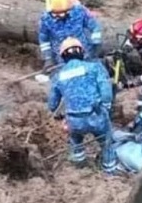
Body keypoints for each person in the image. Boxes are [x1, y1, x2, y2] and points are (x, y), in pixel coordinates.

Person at [47, 37, 118, 174]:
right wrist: (106, 107)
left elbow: (52, 104)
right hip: (96, 115)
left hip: (74, 120)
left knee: (76, 141)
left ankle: (80, 168)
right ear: (81, 52)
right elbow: (106, 90)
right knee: (107, 142)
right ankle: (110, 171)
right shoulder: (95, 68)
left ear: (63, 56)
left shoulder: (58, 76)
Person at [38, 0, 103, 72]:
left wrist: (96, 44)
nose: (58, 17)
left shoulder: (79, 12)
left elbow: (94, 26)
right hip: (62, 59)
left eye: (61, 13)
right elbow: (44, 40)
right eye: (55, 14)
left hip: (84, 54)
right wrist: (48, 58)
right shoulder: (46, 19)